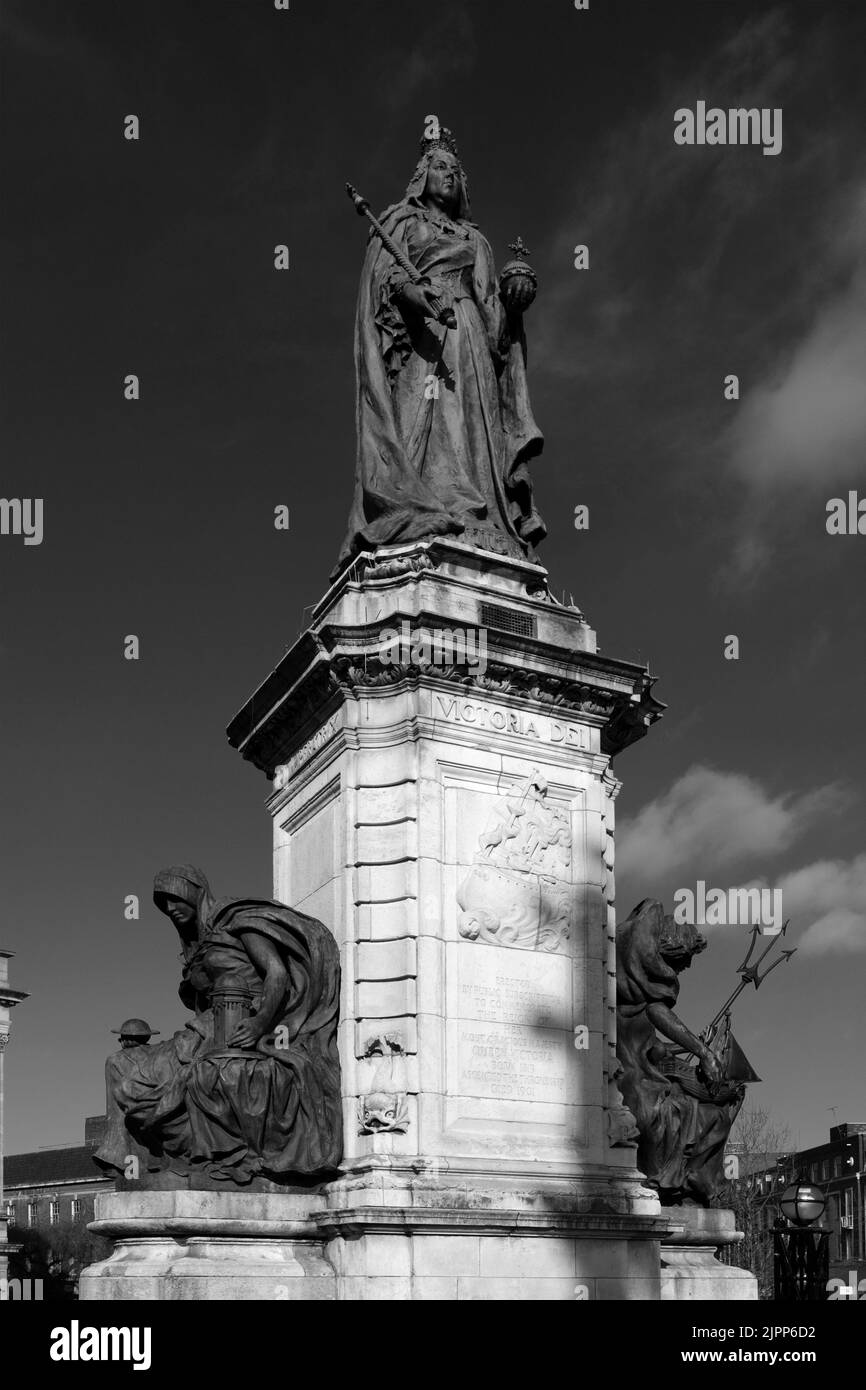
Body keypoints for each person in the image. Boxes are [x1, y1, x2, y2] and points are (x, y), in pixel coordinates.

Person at [334, 127, 545, 575]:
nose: (449, 176)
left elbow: (495, 323)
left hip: (469, 337)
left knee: (474, 429)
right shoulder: (399, 223)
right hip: (424, 340)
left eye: (455, 171)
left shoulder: (477, 241)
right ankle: (425, 507)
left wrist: (515, 303)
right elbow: (384, 281)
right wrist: (415, 294)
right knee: (423, 426)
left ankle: (481, 517)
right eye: (440, 168)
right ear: (422, 175)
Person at [94, 866, 342, 1185]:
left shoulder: (235, 920)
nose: (170, 909)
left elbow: (277, 973)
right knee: (119, 1065)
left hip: (239, 1021)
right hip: (210, 1023)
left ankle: (192, 1156)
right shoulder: (200, 941)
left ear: (195, 891)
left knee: (143, 1082)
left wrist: (259, 1023)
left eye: (175, 899)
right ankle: (129, 1162)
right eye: (163, 905)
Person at [616, 898, 746, 1205]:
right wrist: (702, 1051)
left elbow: (654, 1044)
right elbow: (657, 1015)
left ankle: (692, 1179)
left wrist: (691, 1046)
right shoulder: (638, 988)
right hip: (629, 1069)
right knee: (662, 1113)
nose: (685, 968)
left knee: (714, 1112)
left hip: (644, 1066)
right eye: (684, 961)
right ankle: (666, 1180)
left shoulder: (638, 986)